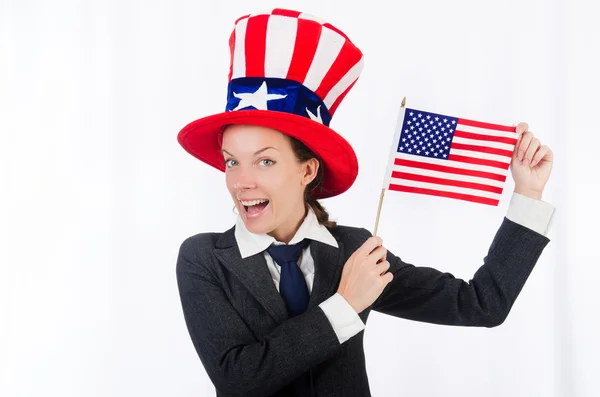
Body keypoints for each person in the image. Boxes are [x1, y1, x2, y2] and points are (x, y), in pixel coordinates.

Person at [175, 8, 555, 397]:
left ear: (307, 171)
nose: (241, 181)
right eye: (232, 161)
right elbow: (239, 380)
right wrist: (344, 304)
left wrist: (528, 194)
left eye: (265, 160)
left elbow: (481, 304)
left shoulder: (355, 251)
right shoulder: (204, 258)